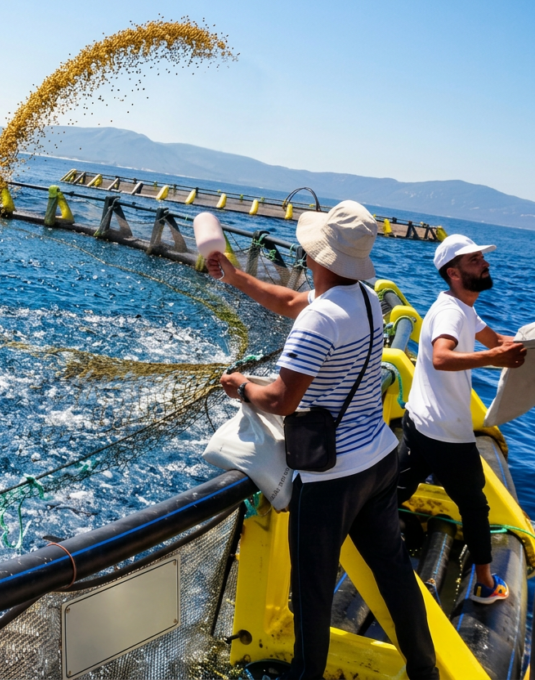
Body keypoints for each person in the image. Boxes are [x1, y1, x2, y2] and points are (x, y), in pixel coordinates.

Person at [208, 201, 438, 680]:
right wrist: (233, 276)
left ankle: (305, 675)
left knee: (311, 588)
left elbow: (282, 400)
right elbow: (292, 302)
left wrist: (242, 386)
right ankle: (424, 668)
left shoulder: (320, 321)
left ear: (316, 255)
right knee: (394, 572)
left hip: (330, 477)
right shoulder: (367, 300)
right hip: (378, 459)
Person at [396, 234, 526, 604]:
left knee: (395, 490)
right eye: (474, 261)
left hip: (420, 421)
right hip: (445, 434)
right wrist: (494, 360)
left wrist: (521, 346)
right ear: (453, 273)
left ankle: (350, 535)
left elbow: (494, 339)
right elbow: (442, 356)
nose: (485, 264)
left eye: (482, 259)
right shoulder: (452, 312)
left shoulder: (462, 307)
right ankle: (486, 584)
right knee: (474, 506)